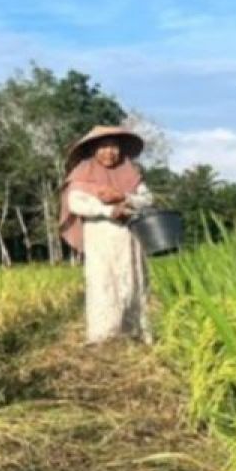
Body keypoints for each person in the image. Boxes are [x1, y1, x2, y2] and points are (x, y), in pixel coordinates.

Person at [58, 125, 155, 346]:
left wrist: (124, 196)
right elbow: (76, 203)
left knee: (133, 279)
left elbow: (148, 199)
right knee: (102, 281)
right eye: (103, 147)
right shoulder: (83, 171)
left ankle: (136, 333)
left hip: (129, 234)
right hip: (99, 233)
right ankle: (103, 337)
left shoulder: (130, 171)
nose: (109, 152)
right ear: (94, 149)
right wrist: (108, 210)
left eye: (114, 147)